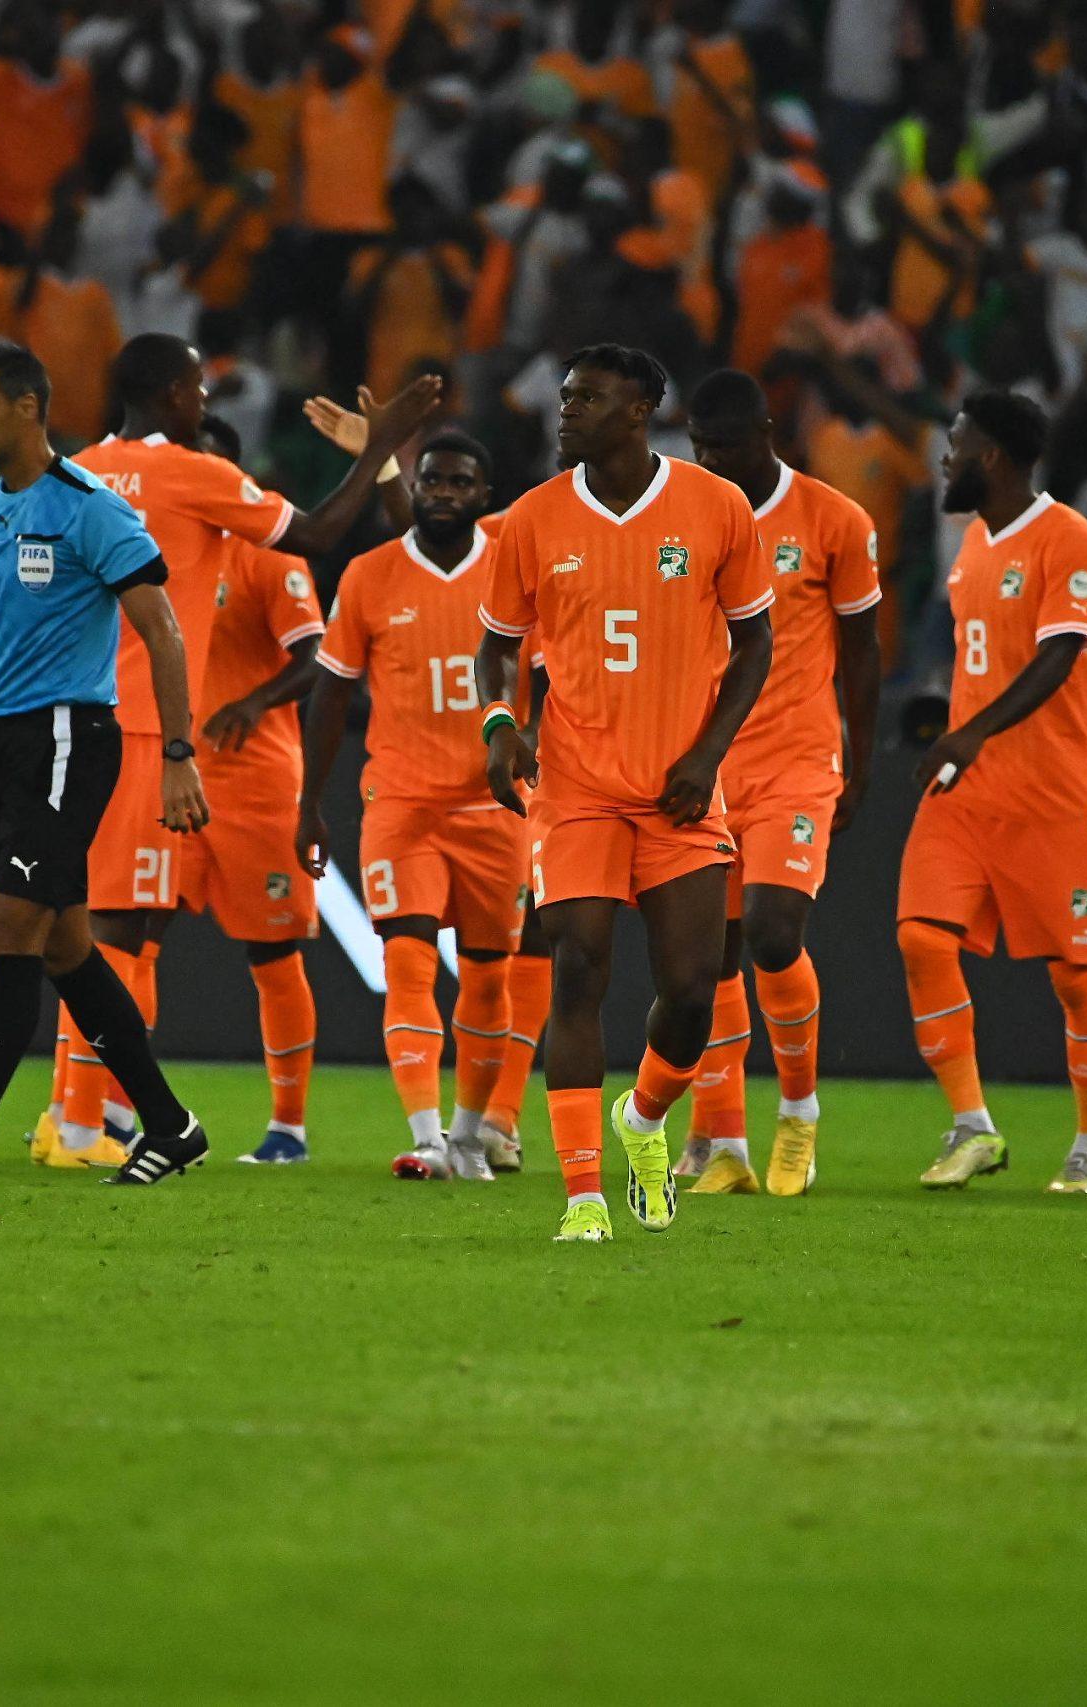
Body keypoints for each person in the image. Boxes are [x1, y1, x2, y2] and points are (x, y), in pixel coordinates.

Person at [42, 337, 438, 1167]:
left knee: (110, 921)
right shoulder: (192, 476)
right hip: (154, 732)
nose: (204, 401)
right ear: (176, 394)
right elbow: (326, 529)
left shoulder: (70, 472)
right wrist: (378, 451)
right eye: (197, 385)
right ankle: (84, 1122)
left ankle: (92, 1118)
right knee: (121, 928)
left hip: (82, 724)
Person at [0, 343, 213, 1188]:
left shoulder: (89, 508)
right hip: (8, 741)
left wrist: (177, 753)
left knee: (8, 931)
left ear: (29, 408)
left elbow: (163, 632)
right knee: (67, 946)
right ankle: (171, 1126)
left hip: (72, 736)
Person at [476, 344, 775, 1243]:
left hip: (679, 790)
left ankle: (642, 1119)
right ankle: (582, 1198)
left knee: (691, 990)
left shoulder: (716, 507)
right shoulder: (532, 518)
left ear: (641, 408)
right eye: (567, 397)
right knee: (578, 965)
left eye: (588, 398)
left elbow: (756, 643)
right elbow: (498, 640)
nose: (567, 411)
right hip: (575, 788)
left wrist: (708, 754)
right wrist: (501, 723)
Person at [897, 392, 1087, 1197]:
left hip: (1049, 796)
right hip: (966, 793)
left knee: (1075, 975)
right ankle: (972, 1127)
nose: (946, 460)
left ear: (991, 455)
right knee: (923, 938)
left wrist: (972, 733)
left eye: (955, 445)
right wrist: (954, 729)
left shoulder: (1070, 537)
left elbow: (1062, 656)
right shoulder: (971, 546)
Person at [302, 430, 534, 1182]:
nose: (442, 492)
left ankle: (471, 1136)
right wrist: (309, 800)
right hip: (402, 801)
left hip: (495, 806)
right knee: (406, 960)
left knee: (490, 976)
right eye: (431, 480)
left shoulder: (514, 572)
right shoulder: (370, 576)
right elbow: (331, 692)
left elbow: (560, 673)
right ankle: (429, 1135)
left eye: (460, 483)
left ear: (483, 497)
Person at [679, 370, 881, 1197]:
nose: (712, 461)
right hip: (705, 761)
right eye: (699, 447)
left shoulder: (835, 519)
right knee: (707, 955)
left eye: (725, 445)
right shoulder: (687, 517)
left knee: (770, 929)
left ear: (767, 432)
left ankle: (798, 1116)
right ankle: (723, 1143)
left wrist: (857, 765)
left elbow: (864, 653)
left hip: (798, 757)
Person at [182, 415, 327, 1167]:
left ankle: (288, 1128)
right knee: (119, 937)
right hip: (164, 771)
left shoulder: (271, 553)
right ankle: (96, 1113)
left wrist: (256, 700)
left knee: (272, 956)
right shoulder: (150, 546)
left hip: (254, 781)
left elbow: (319, 654)